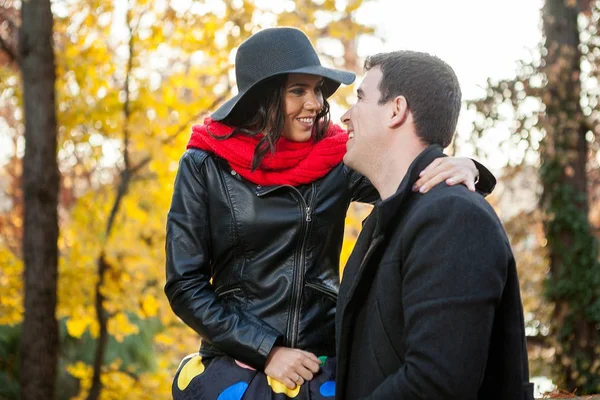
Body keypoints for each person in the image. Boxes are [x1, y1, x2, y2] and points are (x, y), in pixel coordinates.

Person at [165, 28, 495, 400]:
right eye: (298, 90)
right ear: (262, 97)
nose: (316, 103)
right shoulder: (204, 164)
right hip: (238, 360)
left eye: (318, 89)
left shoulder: (337, 159)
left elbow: (409, 179)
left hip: (323, 360)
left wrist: (468, 168)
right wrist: (266, 350)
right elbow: (184, 284)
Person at [335, 50, 534, 400]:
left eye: (360, 99)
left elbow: (436, 383)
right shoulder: (389, 220)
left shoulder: (454, 218)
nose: (345, 116)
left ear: (396, 110)